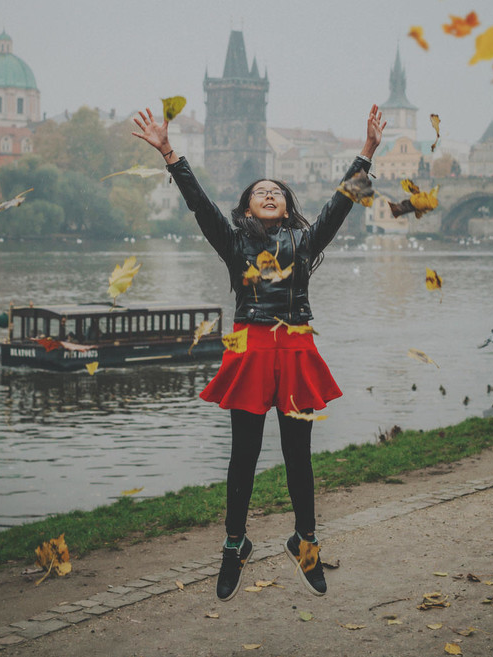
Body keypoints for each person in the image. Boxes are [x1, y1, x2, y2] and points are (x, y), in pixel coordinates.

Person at [132, 103, 387, 601]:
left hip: (294, 348)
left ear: (287, 208)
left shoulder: (306, 243)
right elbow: (199, 204)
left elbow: (340, 203)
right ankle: (234, 545)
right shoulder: (232, 244)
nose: (268, 194)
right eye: (259, 193)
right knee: (242, 458)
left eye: (277, 192)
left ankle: (305, 541)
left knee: (299, 458)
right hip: (249, 348)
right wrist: (168, 151)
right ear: (247, 208)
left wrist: (369, 151)